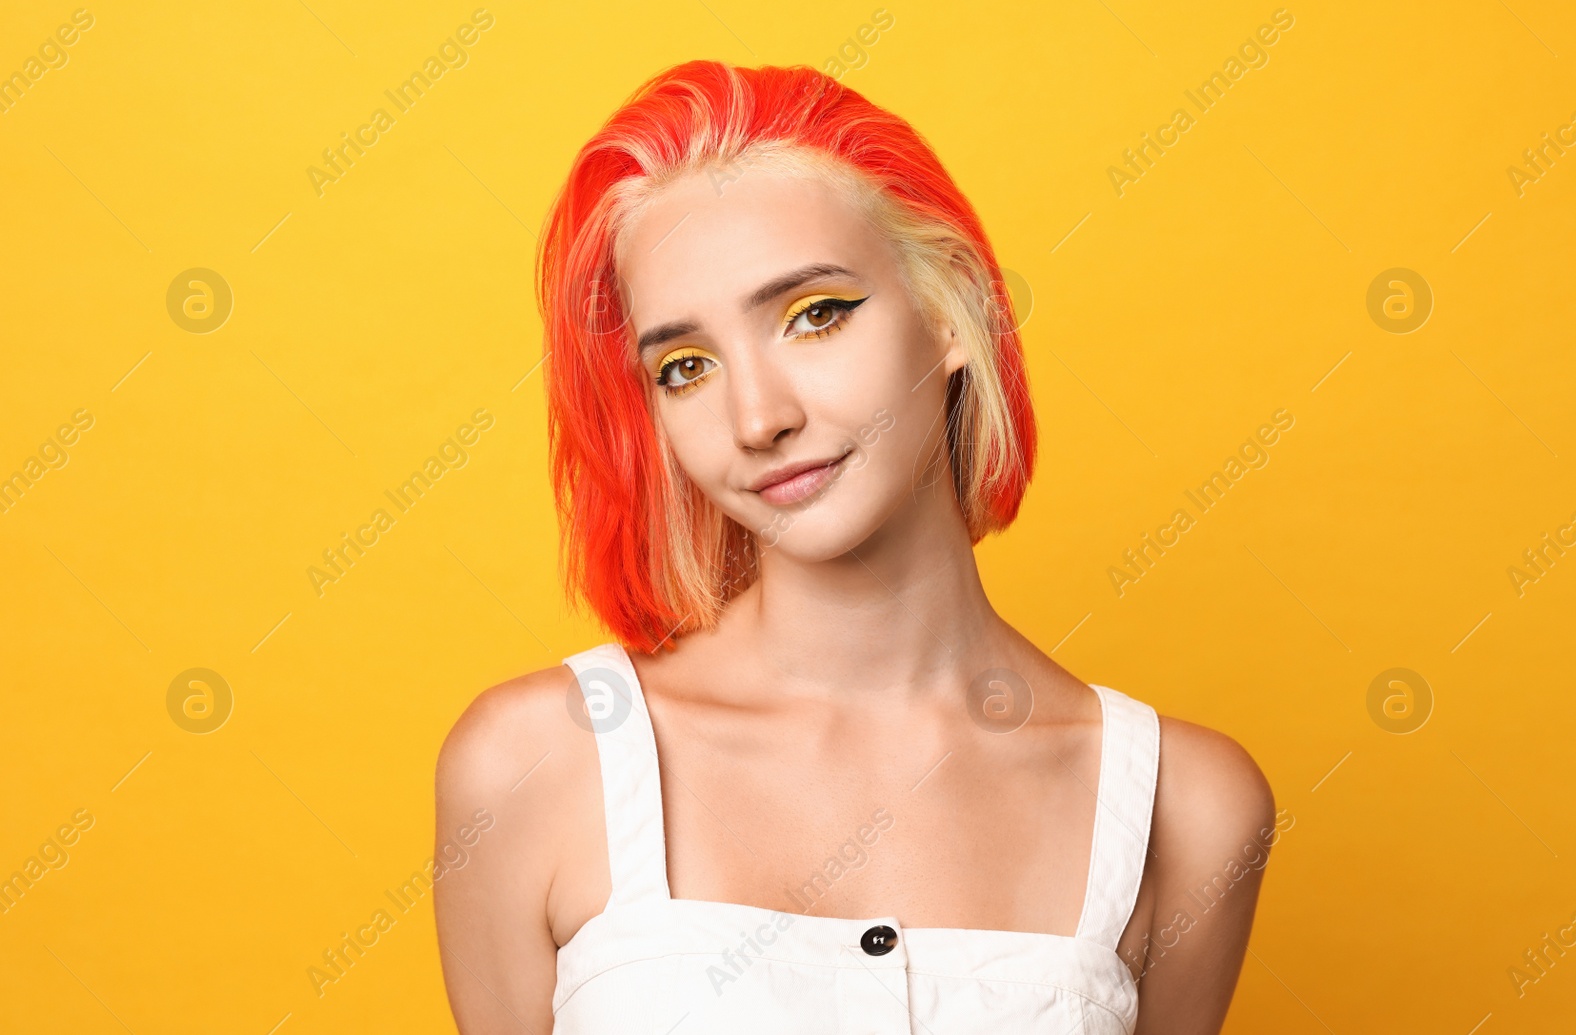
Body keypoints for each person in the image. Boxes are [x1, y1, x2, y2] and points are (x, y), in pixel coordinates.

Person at [434, 59, 1276, 1034]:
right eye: (685, 365)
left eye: (815, 315)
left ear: (951, 306)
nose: (757, 416)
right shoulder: (532, 764)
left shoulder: (1190, 808)